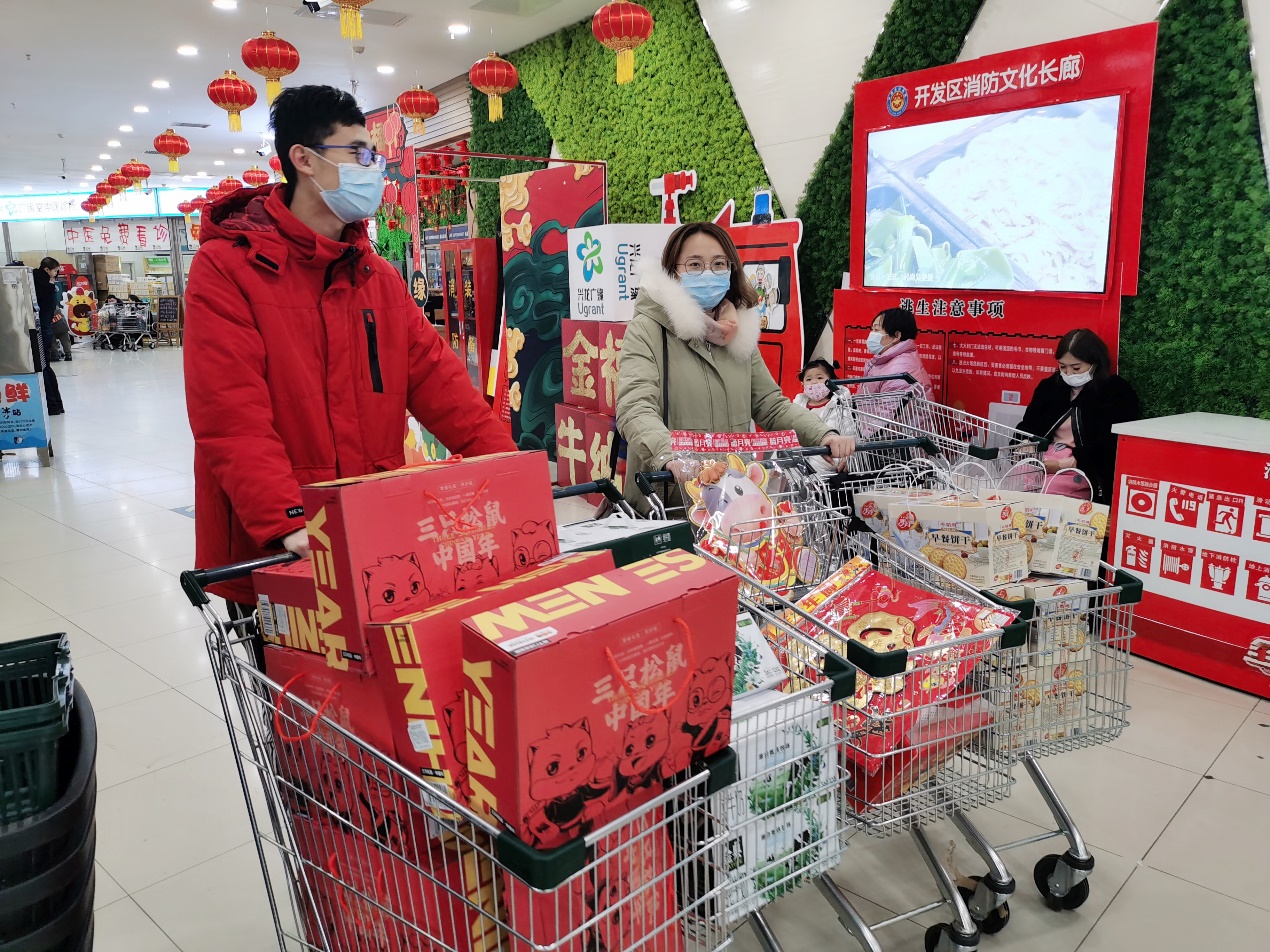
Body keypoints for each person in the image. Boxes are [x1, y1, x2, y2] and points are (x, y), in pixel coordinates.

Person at [183, 84, 515, 648]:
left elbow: (442, 385)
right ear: (304, 159)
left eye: (374, 155)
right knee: (296, 698)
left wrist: (510, 469)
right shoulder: (227, 270)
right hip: (280, 550)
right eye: (358, 153)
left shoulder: (375, 276)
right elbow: (230, 415)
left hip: (373, 535)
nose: (373, 169)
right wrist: (289, 520)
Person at [616, 221, 855, 508]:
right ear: (673, 272)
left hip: (735, 500)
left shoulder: (738, 334)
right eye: (694, 265)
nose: (708, 274)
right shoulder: (648, 329)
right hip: (672, 497)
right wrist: (668, 454)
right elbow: (635, 406)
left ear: (731, 270)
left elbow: (770, 405)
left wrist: (822, 433)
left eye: (719, 264)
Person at [1019, 328, 1140, 505]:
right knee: (1015, 483)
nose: (1069, 374)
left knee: (1047, 493)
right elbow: (1028, 425)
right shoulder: (1050, 387)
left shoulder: (1115, 391)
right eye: (1062, 367)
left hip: (1083, 467)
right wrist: (1025, 445)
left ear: (1095, 364)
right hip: (1045, 457)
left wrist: (1063, 465)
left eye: (1076, 368)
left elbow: (1111, 444)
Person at [793, 358, 858, 475]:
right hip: (796, 471)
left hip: (828, 470)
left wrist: (849, 458)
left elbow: (850, 433)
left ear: (831, 381)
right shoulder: (796, 407)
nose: (814, 382)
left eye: (819, 378)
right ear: (802, 383)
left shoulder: (840, 405)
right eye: (808, 379)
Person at [857, 306, 934, 400]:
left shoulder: (901, 371)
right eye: (872, 329)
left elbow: (890, 409)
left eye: (876, 330)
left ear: (896, 336)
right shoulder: (886, 362)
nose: (871, 334)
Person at [31, 258, 65, 415]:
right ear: (46, 269)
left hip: (39, 331)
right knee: (45, 367)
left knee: (43, 367)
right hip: (44, 331)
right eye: (55, 270)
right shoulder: (48, 287)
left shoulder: (35, 282)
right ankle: (55, 405)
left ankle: (52, 405)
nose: (56, 274)